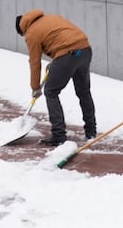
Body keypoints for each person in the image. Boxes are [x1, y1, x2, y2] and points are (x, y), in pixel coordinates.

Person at [15, 10, 97, 147]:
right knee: (84, 92)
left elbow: (35, 62)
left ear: (23, 30)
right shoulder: (51, 18)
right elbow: (63, 39)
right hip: (85, 50)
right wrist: (56, 61)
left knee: (51, 92)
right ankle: (91, 131)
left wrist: (35, 87)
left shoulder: (31, 33)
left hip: (68, 55)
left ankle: (59, 134)